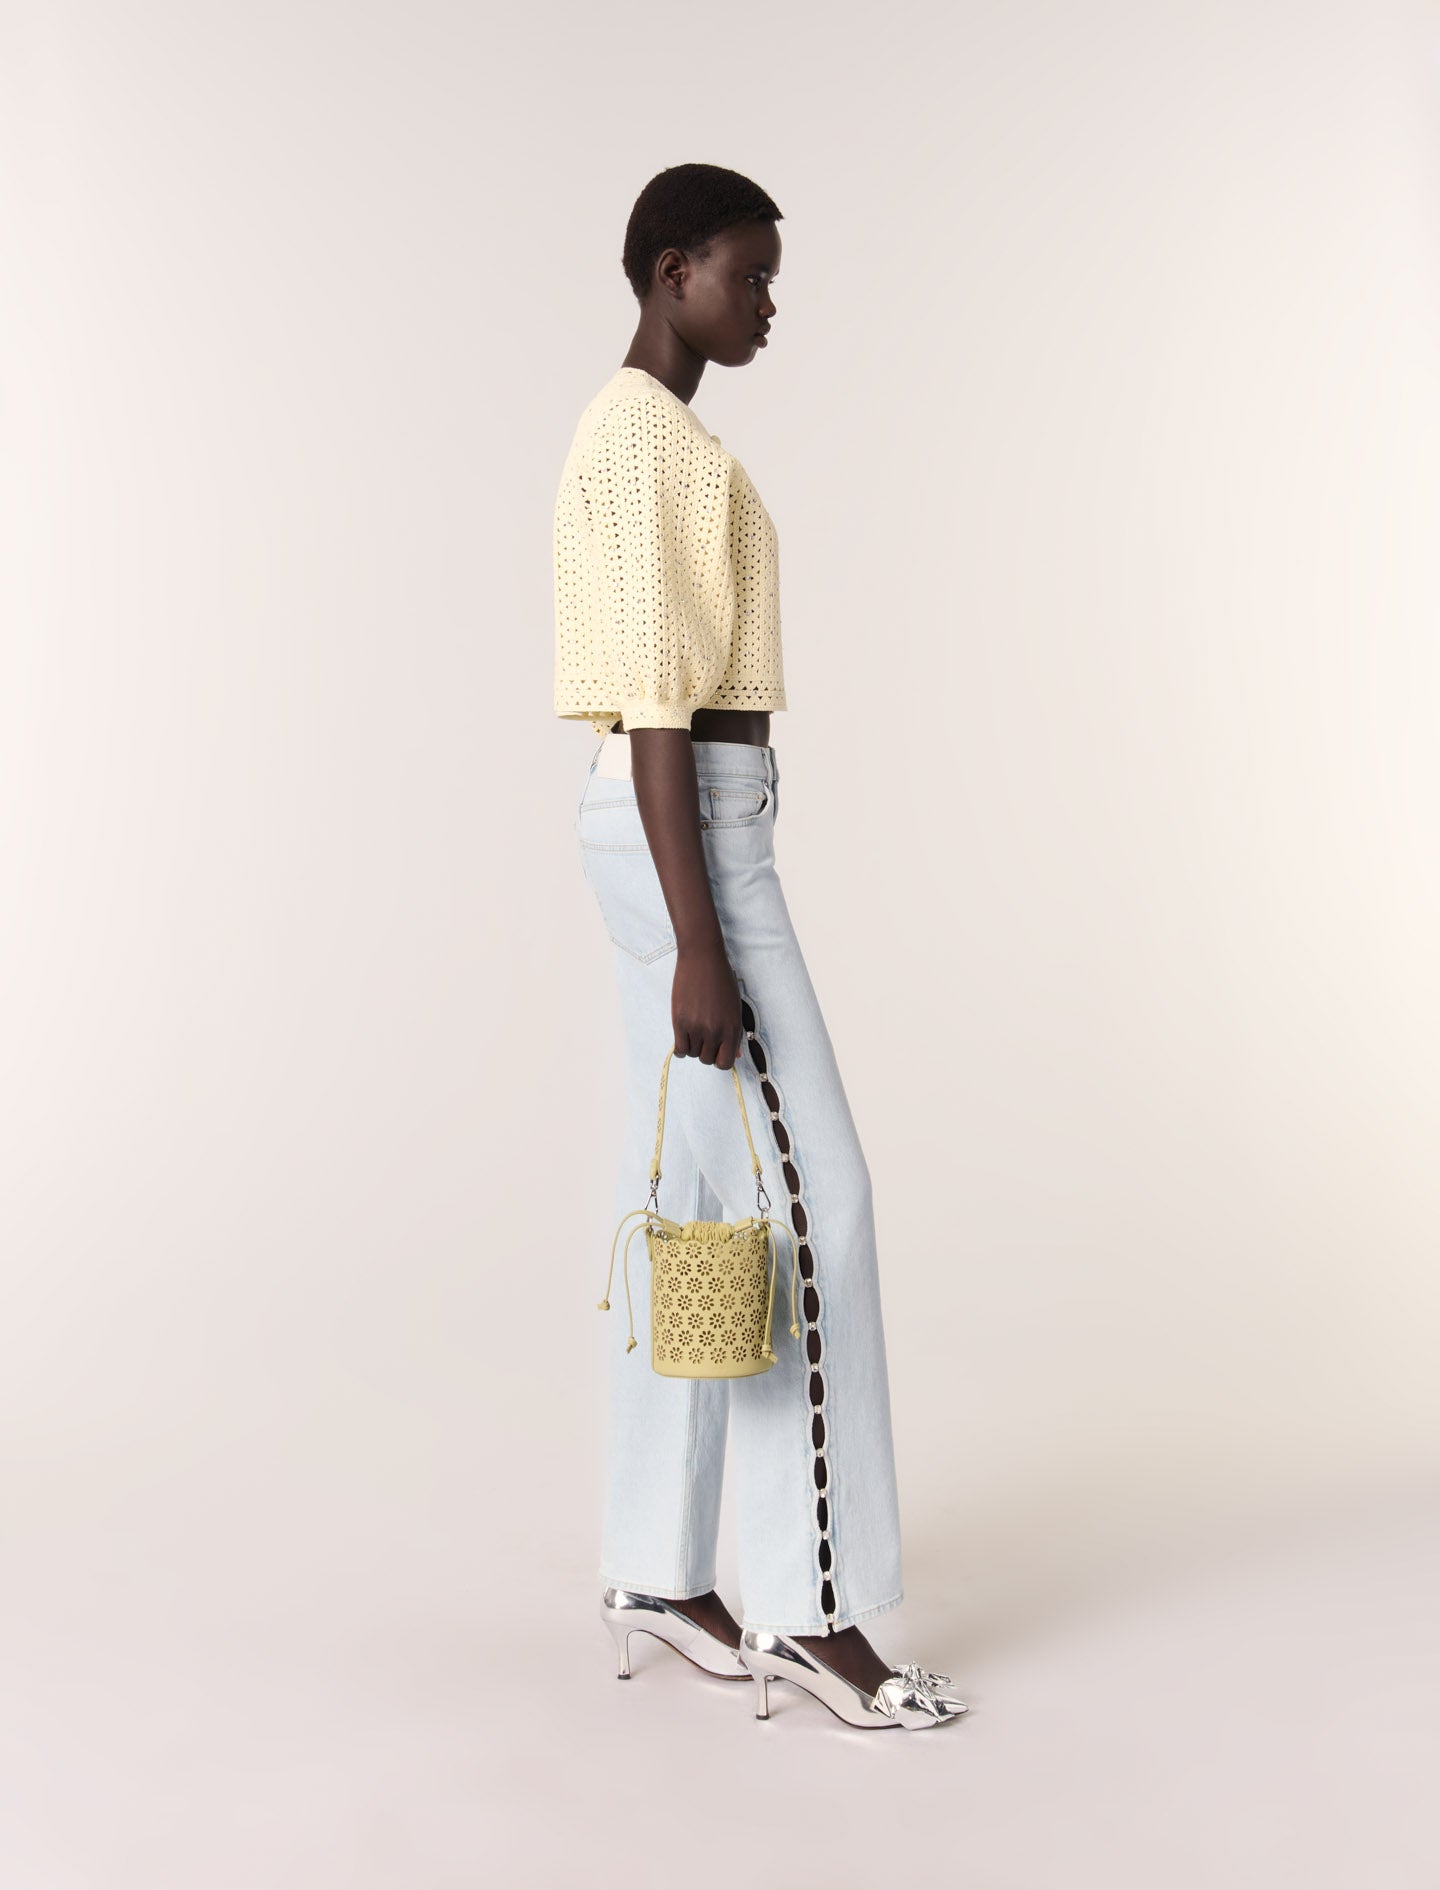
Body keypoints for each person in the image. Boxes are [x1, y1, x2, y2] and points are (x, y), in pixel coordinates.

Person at [553, 163, 966, 1731]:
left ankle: (656, 1571)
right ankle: (811, 1610)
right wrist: (700, 942)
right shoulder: (641, 440)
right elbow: (661, 706)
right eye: (751, 273)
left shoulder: (654, 434)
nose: (770, 301)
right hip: (690, 839)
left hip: (666, 827)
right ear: (674, 272)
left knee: (695, 1204)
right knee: (818, 1206)